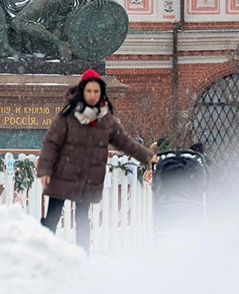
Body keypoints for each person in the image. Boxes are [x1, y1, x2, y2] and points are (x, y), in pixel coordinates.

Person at [37, 69, 156, 251]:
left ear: (101, 93)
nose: (92, 96)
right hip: (63, 174)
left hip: (88, 178)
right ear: (82, 91)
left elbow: (125, 143)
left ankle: (82, 258)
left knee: (83, 220)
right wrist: (45, 170)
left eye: (96, 91)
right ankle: (41, 254)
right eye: (88, 91)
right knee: (52, 217)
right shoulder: (67, 117)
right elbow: (51, 144)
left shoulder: (106, 121)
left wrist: (147, 157)